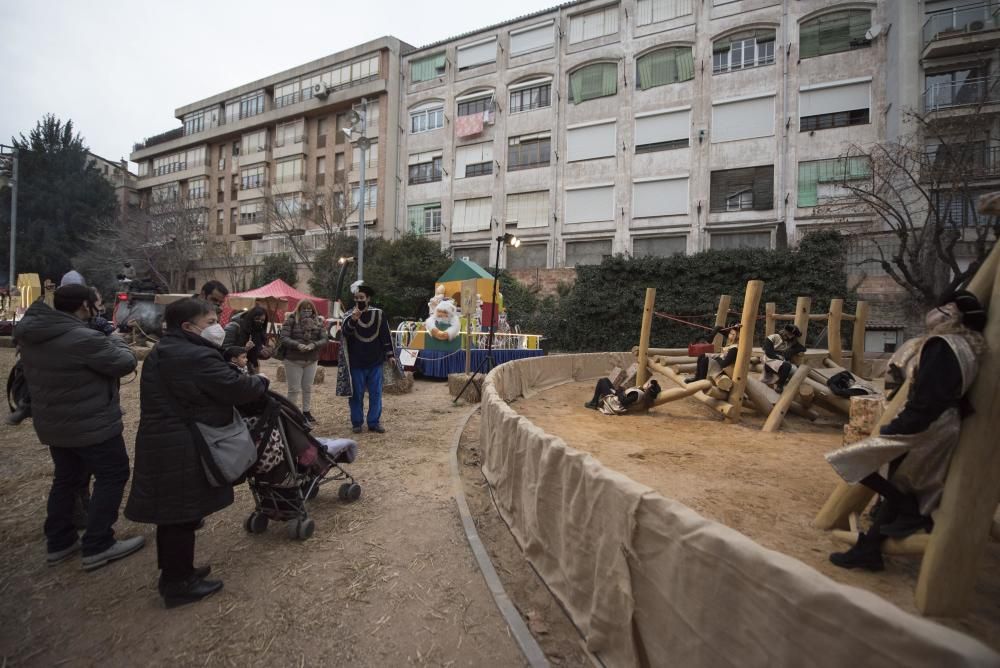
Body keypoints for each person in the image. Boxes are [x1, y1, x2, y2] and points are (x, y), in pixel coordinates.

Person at [825, 290, 987, 572]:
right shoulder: (966, 347)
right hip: (940, 423)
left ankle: (908, 512)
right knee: (900, 483)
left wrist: (900, 425)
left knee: (852, 460)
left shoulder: (943, 345)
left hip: (925, 426)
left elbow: (930, 396)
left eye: (943, 308)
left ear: (953, 315)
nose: (935, 312)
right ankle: (871, 548)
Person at [125, 298, 267, 608]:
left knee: (176, 512)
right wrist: (258, 382)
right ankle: (178, 583)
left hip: (166, 438)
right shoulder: (193, 355)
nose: (217, 327)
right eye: (210, 322)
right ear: (188, 326)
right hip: (182, 442)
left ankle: (177, 571)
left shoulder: (168, 350)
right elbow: (234, 388)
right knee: (181, 512)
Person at [15, 284, 143, 570]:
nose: (99, 306)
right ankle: (98, 544)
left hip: (54, 423)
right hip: (91, 422)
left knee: (66, 478)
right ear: (85, 305)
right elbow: (124, 362)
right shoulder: (84, 338)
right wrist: (114, 338)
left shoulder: (33, 333)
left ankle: (59, 541)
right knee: (113, 474)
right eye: (97, 302)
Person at [337, 284, 393, 434]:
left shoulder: (379, 314)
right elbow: (344, 334)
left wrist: (390, 355)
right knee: (356, 394)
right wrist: (354, 320)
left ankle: (374, 422)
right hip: (356, 362)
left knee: (376, 393)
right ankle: (357, 422)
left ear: (368, 298)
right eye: (356, 298)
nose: (359, 300)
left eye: (362, 298)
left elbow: (385, 335)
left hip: (376, 361)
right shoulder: (349, 315)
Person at [279, 299, 327, 425]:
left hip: (311, 359)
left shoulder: (318, 321)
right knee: (293, 389)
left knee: (307, 387)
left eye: (309, 309)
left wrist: (314, 344)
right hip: (293, 359)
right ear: (299, 309)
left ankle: (306, 411)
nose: (307, 311)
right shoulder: (291, 320)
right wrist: (297, 345)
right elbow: (284, 338)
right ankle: (290, 412)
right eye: (304, 309)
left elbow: (324, 339)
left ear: (313, 310)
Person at [223, 305, 269, 373]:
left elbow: (256, 354)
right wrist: (244, 349)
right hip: (232, 369)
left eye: (262, 321)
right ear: (250, 317)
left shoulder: (257, 331)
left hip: (249, 368)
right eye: (257, 319)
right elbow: (225, 350)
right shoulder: (234, 326)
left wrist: (266, 352)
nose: (259, 322)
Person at [762, 324, 806, 393]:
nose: (789, 336)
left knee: (794, 370)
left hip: (781, 362)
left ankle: (788, 387)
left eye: (791, 335)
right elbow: (768, 352)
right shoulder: (773, 337)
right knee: (787, 365)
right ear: (784, 331)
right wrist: (778, 356)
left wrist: (791, 351)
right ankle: (780, 386)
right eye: (789, 333)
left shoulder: (791, 342)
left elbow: (803, 348)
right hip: (770, 360)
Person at [585, 377, 662, 415]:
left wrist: (619, 391)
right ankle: (594, 402)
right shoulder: (641, 393)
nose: (646, 383)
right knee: (606, 379)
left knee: (601, 381)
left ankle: (594, 403)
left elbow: (623, 402)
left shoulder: (638, 394)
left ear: (648, 387)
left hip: (614, 404)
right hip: (617, 399)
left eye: (648, 383)